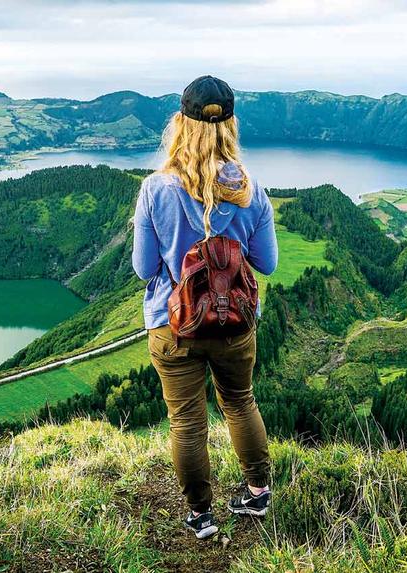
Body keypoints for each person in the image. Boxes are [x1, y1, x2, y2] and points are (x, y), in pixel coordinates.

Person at [131, 75, 278, 540]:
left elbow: (143, 268)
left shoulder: (157, 190)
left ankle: (201, 515)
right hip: (234, 325)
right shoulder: (251, 191)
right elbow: (267, 263)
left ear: (180, 123)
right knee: (239, 401)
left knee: (187, 421)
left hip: (174, 326)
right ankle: (257, 493)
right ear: (230, 126)